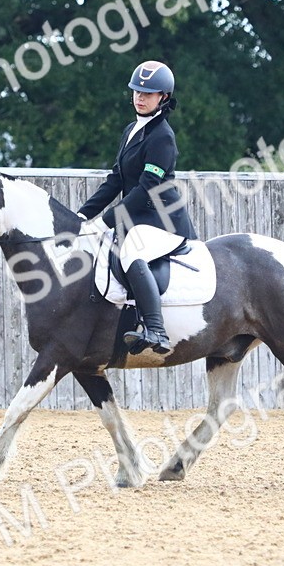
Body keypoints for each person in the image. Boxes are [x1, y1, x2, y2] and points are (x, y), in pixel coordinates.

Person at [77, 59, 198, 356]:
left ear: (163, 97)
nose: (140, 98)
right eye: (137, 92)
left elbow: (146, 189)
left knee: (132, 251)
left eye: (148, 93)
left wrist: (106, 220)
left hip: (162, 222)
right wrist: (82, 215)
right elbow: (116, 180)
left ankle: (156, 329)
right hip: (137, 219)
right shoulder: (131, 129)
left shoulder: (163, 137)